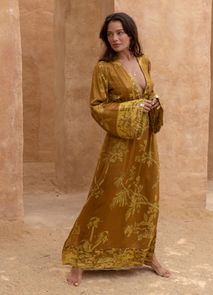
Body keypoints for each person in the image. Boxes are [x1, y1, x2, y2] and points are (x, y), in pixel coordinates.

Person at [62, 12, 171, 287]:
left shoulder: (144, 61)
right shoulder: (104, 68)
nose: (115, 38)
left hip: (146, 142)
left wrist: (154, 103)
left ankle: (146, 254)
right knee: (106, 197)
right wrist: (134, 108)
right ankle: (79, 259)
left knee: (145, 196)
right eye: (110, 34)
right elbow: (97, 107)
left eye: (120, 32)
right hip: (119, 145)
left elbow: (148, 94)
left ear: (131, 34)